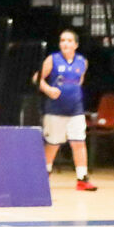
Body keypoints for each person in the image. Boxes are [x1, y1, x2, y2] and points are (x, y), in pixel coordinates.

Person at [38, 29, 96, 191]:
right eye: (62, 40)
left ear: (76, 45)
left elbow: (79, 81)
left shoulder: (82, 62)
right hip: (55, 110)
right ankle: (44, 174)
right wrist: (49, 90)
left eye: (69, 41)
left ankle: (82, 178)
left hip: (76, 110)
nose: (65, 43)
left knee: (79, 142)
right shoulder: (52, 60)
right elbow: (37, 78)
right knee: (52, 144)